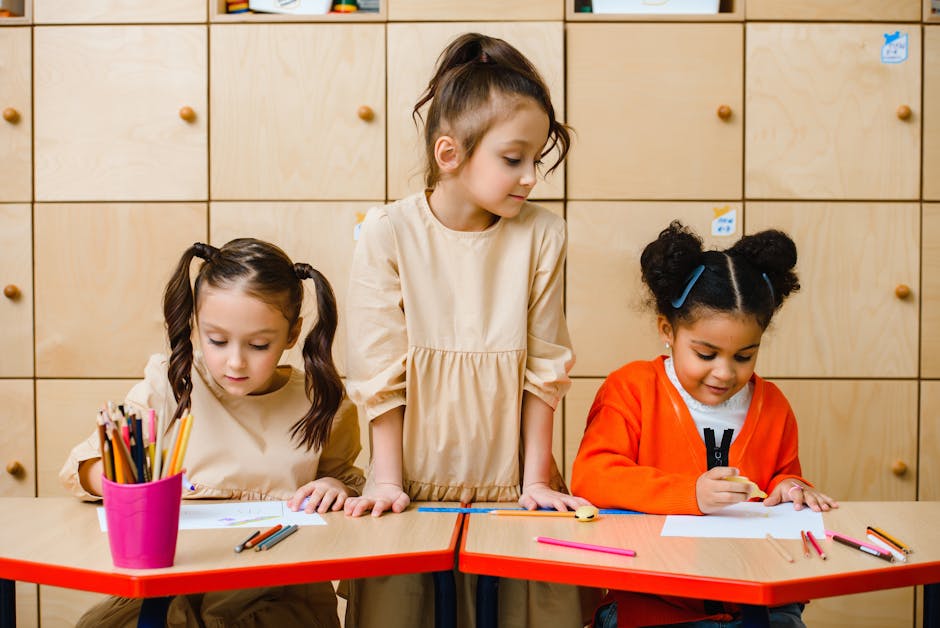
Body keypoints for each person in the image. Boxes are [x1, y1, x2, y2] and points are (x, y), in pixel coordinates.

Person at [341, 32, 591, 627]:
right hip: (411, 490)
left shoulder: (542, 235)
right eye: (513, 159)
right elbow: (379, 372)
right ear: (449, 153)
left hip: (512, 489)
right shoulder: (388, 232)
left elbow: (544, 368)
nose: (531, 176)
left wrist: (535, 480)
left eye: (538, 159)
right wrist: (386, 481)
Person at [60, 238, 364, 628]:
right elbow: (81, 469)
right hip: (175, 580)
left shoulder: (322, 403)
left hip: (278, 591)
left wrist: (337, 488)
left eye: (258, 344)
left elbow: (348, 482)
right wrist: (124, 479)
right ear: (195, 325)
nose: (234, 361)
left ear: (292, 334)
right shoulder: (171, 383)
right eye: (216, 340)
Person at [571, 221, 839, 628]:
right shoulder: (631, 389)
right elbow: (592, 477)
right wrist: (690, 494)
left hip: (758, 604)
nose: (725, 373)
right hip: (654, 604)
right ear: (668, 331)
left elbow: (782, 480)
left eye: (744, 356)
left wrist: (791, 488)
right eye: (706, 353)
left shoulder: (773, 406)